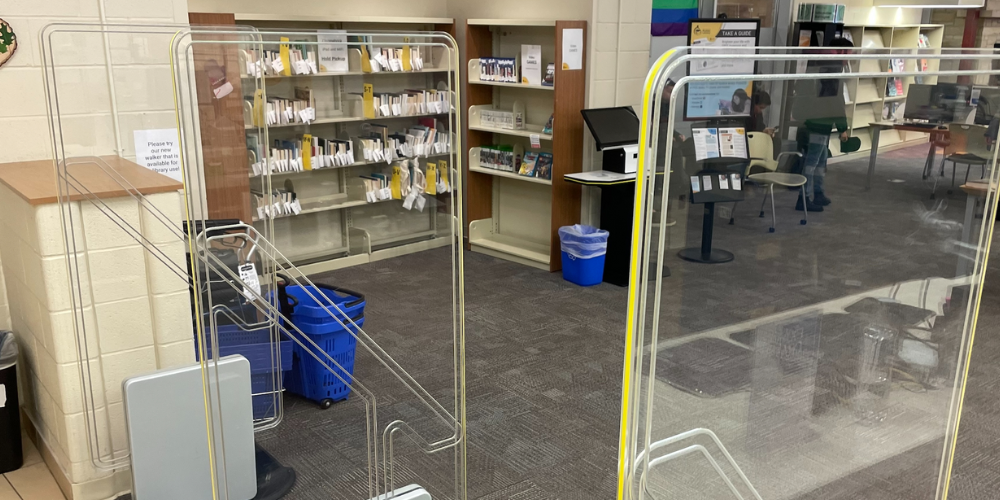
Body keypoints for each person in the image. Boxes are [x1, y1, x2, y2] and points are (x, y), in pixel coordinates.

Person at [793, 37, 853, 211]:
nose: (849, 57)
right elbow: (835, 100)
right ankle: (803, 198)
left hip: (810, 118)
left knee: (818, 161)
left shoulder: (817, 60)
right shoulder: (833, 67)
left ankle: (817, 193)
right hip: (821, 122)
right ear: (842, 51)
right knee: (812, 163)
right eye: (849, 52)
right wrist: (842, 127)